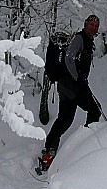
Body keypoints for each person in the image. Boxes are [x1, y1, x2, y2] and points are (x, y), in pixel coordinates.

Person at [39, 14, 101, 171]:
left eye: (96, 25)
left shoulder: (86, 41)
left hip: (67, 85)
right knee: (94, 110)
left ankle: (49, 153)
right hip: (71, 85)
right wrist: (77, 78)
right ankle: (88, 148)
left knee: (65, 119)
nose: (93, 27)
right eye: (91, 24)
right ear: (85, 25)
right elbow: (69, 58)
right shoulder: (80, 39)